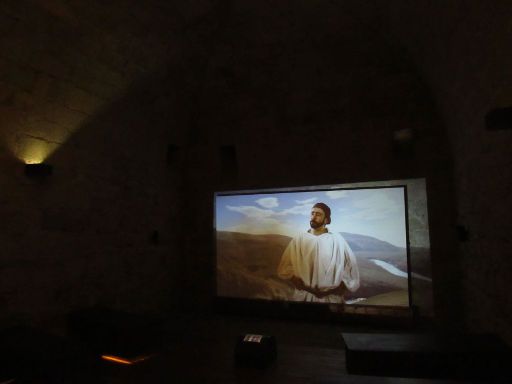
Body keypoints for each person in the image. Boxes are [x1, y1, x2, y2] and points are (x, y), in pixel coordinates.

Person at [277, 202, 359, 303]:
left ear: (326, 219)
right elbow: (285, 266)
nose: (313, 217)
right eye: (312, 213)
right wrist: (296, 281)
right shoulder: (299, 239)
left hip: (330, 299)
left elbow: (351, 265)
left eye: (318, 214)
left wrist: (339, 288)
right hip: (303, 297)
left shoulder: (337, 240)